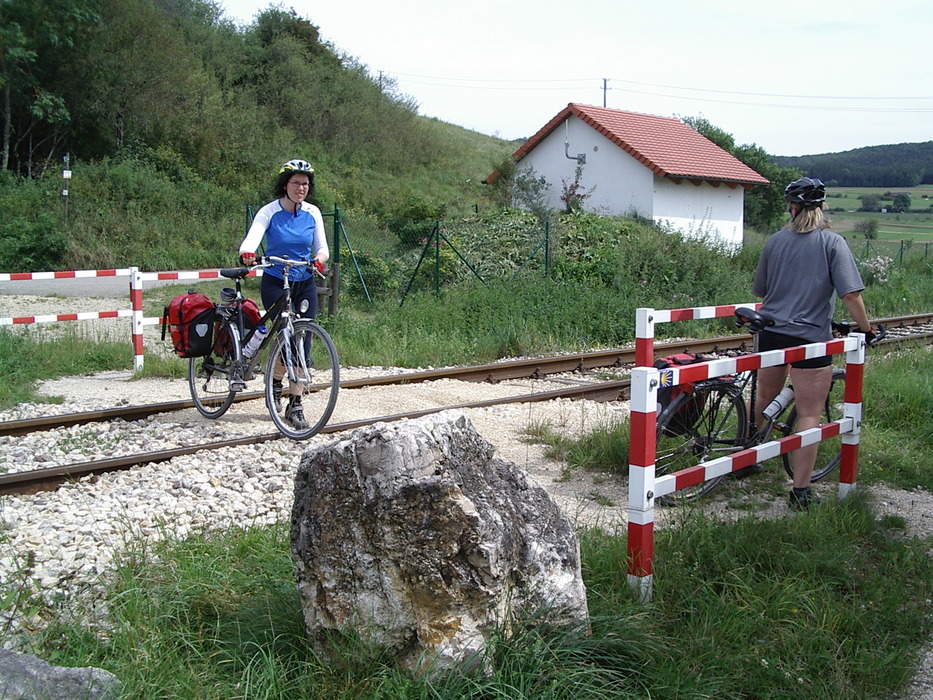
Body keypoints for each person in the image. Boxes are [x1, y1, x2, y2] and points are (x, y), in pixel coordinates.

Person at [752, 176, 875, 511]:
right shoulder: (832, 243)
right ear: (820, 208)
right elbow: (850, 294)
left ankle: (747, 456)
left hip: (772, 331)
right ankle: (800, 491)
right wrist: (866, 329)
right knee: (809, 412)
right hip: (809, 338)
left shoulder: (775, 241)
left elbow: (761, 290)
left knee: (764, 395)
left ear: (792, 208)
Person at [238, 159, 329, 430]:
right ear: (285, 185)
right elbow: (252, 238)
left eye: (305, 183)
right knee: (286, 339)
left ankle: (295, 403)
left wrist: (319, 260)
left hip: (304, 280)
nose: (301, 188)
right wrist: (248, 253)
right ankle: (276, 385)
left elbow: (322, 247)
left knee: (303, 340)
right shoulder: (269, 212)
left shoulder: (313, 213)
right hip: (276, 280)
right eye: (295, 183)